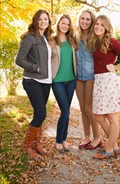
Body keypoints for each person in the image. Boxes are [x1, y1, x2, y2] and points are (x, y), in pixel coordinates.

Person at [91, 15, 120, 159]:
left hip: (108, 81)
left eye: (102, 25)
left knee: (112, 116)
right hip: (99, 81)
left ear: (106, 27)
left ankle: (109, 149)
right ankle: (114, 146)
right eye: (97, 24)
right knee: (98, 116)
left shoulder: (111, 41)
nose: (98, 27)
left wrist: (116, 67)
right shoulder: (96, 41)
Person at [16, 9, 53, 158]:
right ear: (35, 21)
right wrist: (34, 67)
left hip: (46, 81)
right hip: (33, 81)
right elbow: (19, 59)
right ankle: (27, 146)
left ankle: (37, 144)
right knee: (41, 113)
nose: (43, 22)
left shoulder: (46, 37)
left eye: (46, 19)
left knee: (40, 113)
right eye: (40, 19)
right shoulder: (30, 37)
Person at [75, 9, 102, 150]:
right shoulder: (75, 36)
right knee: (82, 108)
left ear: (91, 21)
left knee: (89, 108)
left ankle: (97, 138)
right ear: (79, 19)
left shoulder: (95, 37)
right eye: (82, 18)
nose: (84, 21)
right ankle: (86, 137)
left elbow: (106, 50)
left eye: (88, 19)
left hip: (91, 76)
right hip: (78, 77)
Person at [51, 14, 76, 153]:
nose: (65, 26)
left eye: (67, 24)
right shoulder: (52, 40)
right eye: (63, 23)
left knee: (67, 111)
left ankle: (64, 139)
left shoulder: (72, 40)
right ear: (58, 23)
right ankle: (58, 140)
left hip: (71, 80)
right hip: (57, 81)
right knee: (65, 110)